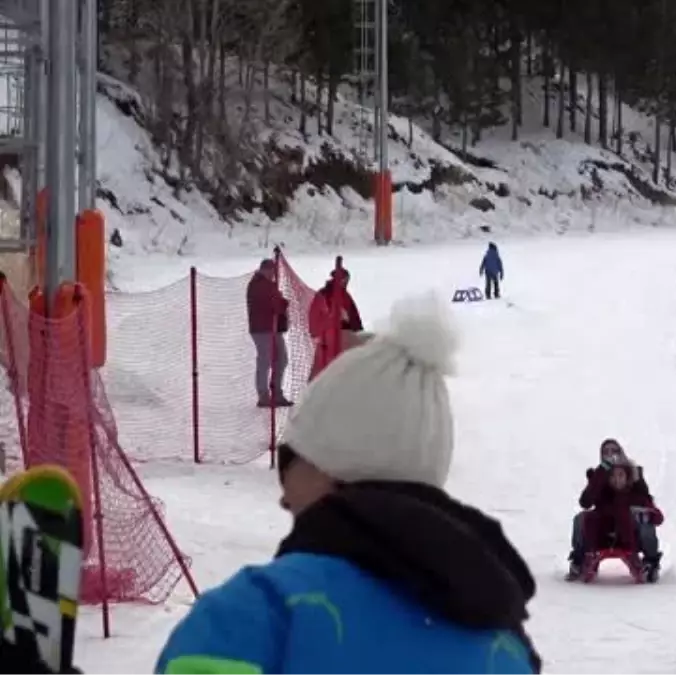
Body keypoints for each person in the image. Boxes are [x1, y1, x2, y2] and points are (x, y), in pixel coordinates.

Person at [155, 293, 541, 675]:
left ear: (329, 471)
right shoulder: (507, 647)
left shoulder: (253, 619)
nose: (284, 500)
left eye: (289, 464)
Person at [567, 439, 663, 581]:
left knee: (645, 522)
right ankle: (579, 560)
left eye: (614, 451)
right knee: (581, 519)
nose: (617, 480)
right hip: (602, 534)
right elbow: (585, 502)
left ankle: (651, 562)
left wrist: (646, 515)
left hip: (630, 535)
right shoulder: (599, 483)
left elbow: (651, 509)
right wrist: (601, 473)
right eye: (606, 452)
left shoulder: (635, 485)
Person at [307, 257, 364, 381]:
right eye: (345, 280)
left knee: (322, 365)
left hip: (328, 334)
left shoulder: (334, 293)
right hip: (335, 333)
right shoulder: (331, 295)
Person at [246, 259, 291, 407]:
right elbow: (275, 305)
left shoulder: (266, 285)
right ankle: (263, 395)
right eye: (271, 271)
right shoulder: (259, 285)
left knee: (281, 359)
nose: (273, 274)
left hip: (273, 327)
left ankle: (276, 393)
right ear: (264, 270)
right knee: (265, 361)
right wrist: (282, 302)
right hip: (261, 329)